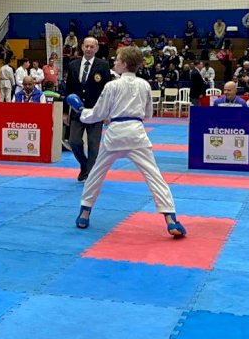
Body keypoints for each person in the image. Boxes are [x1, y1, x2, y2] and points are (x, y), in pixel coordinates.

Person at [68, 46, 186, 237]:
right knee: (154, 176)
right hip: (137, 134)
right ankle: (171, 219)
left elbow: (98, 114)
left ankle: (84, 213)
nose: (114, 62)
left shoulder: (112, 86)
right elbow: (148, 114)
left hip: (115, 135)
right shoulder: (145, 85)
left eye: (117, 60)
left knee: (96, 174)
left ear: (123, 64)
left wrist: (81, 112)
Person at [65, 37, 112, 181]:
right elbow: (68, 89)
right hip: (77, 112)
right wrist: (66, 112)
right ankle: (84, 165)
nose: (89, 49)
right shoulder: (73, 65)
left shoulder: (103, 65)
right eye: (87, 46)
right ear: (82, 47)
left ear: (96, 49)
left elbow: (108, 90)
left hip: (96, 111)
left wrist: (107, 112)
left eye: (92, 47)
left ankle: (91, 174)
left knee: (93, 145)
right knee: (74, 141)